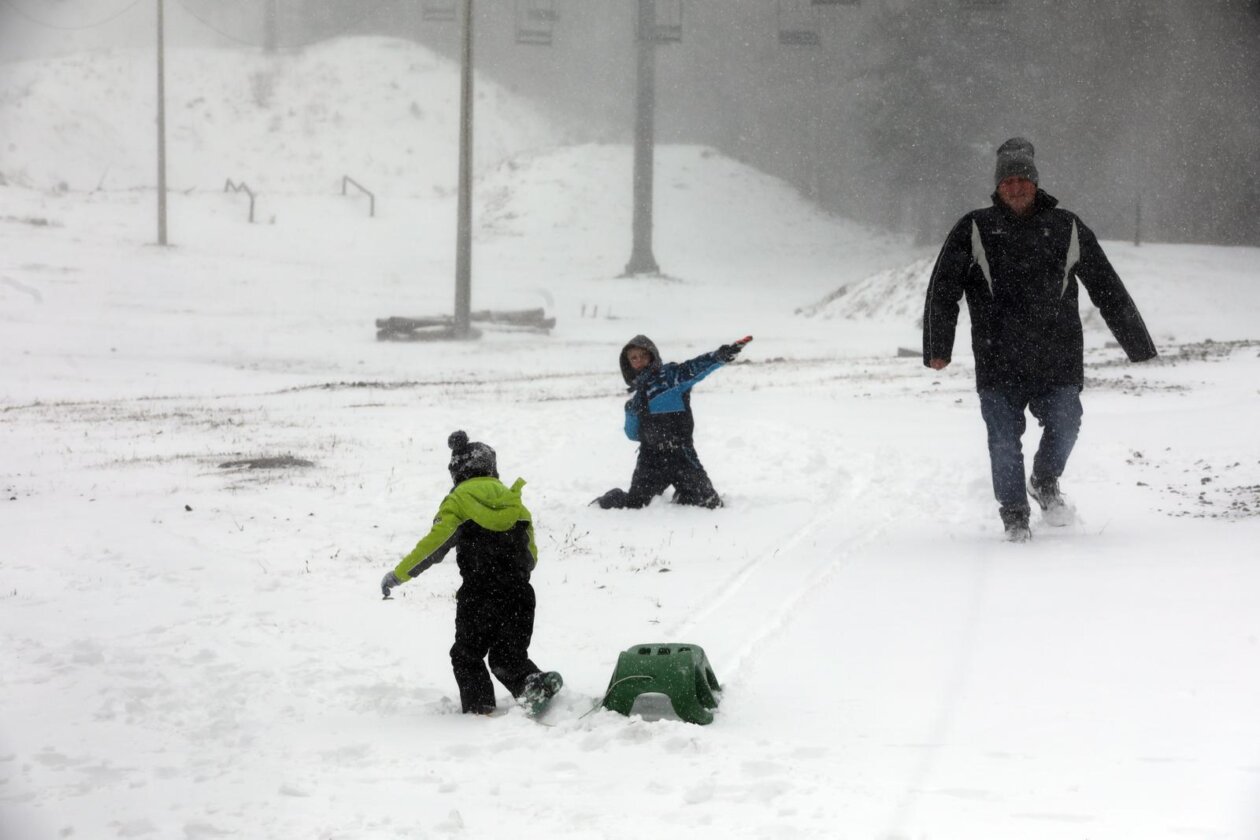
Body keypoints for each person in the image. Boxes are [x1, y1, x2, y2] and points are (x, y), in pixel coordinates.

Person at [922, 137, 1157, 542]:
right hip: (998, 359)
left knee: (1067, 422)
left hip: (1057, 357)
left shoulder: (1066, 226)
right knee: (1002, 439)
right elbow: (943, 289)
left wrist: (1138, 344)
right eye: (1008, 180)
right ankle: (1015, 516)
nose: (1016, 187)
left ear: (1036, 183)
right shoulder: (975, 227)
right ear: (997, 186)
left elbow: (1107, 286)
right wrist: (937, 347)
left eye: (1023, 179)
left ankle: (1045, 482)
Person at [380, 431, 561, 715]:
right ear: (492, 467)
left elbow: (433, 546)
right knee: (507, 656)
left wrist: (399, 574)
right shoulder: (515, 502)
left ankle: (479, 710)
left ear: (456, 471)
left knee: (466, 654)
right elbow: (531, 555)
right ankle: (533, 684)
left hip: (479, 594)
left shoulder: (459, 500)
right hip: (520, 594)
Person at [592, 335, 750, 510]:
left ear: (652, 355)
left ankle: (685, 493)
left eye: (643, 355)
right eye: (634, 358)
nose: (639, 361)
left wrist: (721, 355)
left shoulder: (670, 376)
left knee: (710, 504)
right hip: (650, 459)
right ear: (628, 363)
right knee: (634, 506)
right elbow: (632, 434)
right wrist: (632, 412)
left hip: (681, 454)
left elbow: (696, 367)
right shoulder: (634, 397)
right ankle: (605, 501)